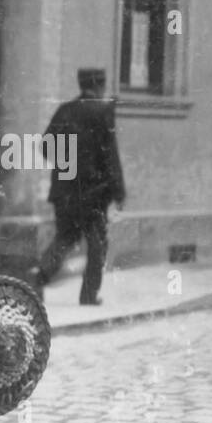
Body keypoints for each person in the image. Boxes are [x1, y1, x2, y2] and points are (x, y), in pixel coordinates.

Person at [34, 67, 126, 305]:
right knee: (97, 244)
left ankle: (38, 278)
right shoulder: (103, 112)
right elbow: (110, 156)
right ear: (100, 86)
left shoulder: (64, 110)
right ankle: (88, 295)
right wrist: (119, 191)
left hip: (64, 191)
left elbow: (45, 146)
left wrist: (69, 163)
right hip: (94, 193)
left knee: (64, 238)